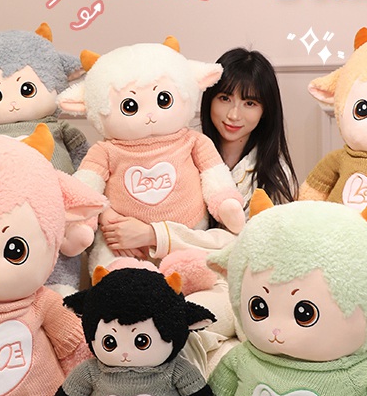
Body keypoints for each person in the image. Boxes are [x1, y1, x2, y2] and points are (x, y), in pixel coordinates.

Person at [99, 47, 299, 374]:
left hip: (231, 287)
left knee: (172, 326)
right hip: (158, 274)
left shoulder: (274, 176)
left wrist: (155, 235)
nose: (234, 114)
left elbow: (249, 247)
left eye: (250, 103)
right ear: (208, 98)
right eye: (225, 98)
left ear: (266, 110)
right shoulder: (180, 148)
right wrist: (106, 214)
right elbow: (118, 191)